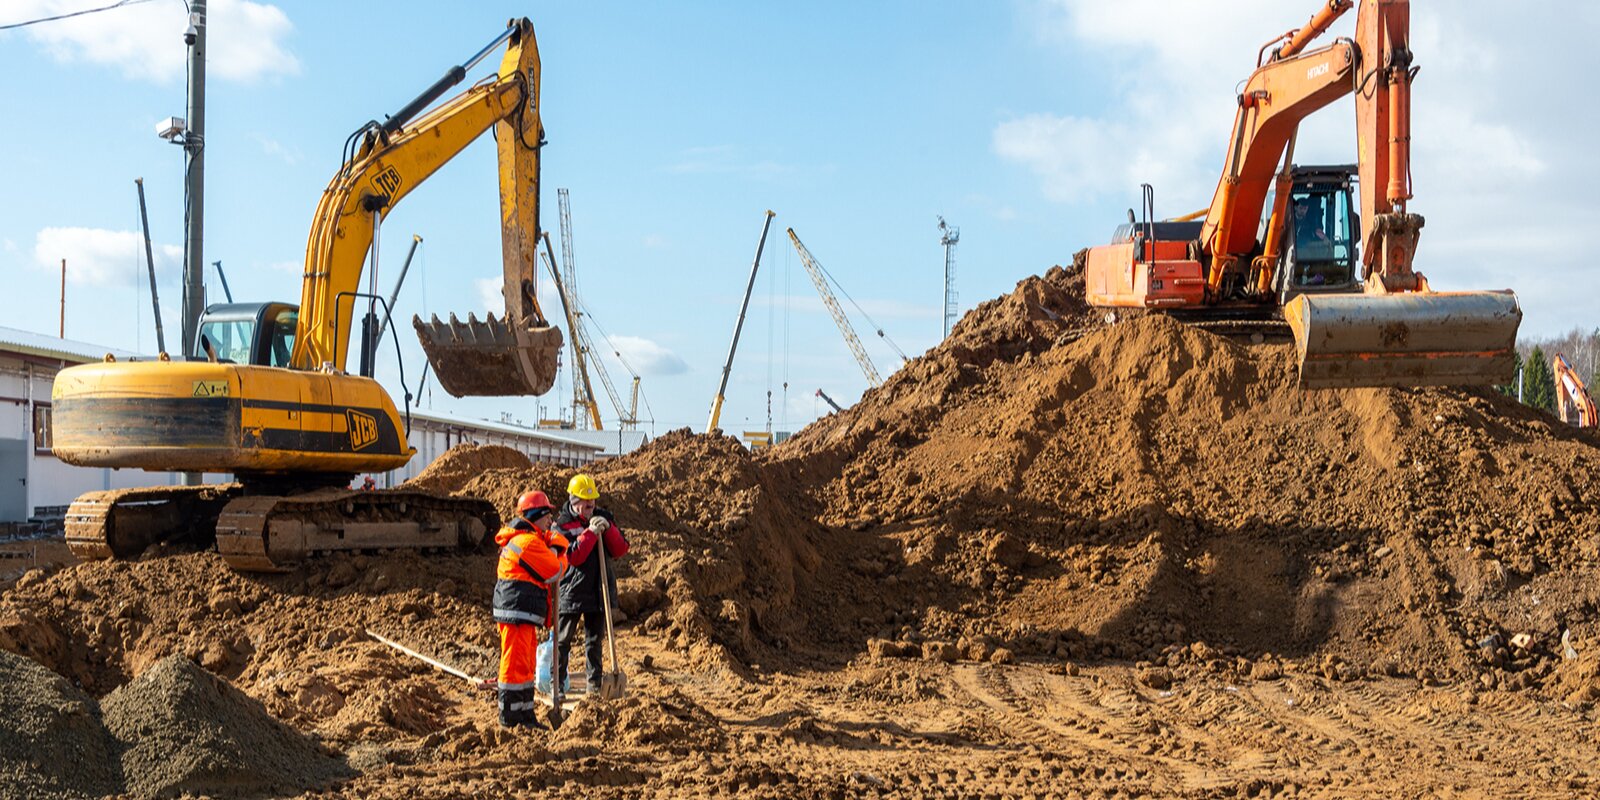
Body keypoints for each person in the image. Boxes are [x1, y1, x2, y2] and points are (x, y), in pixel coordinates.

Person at [492, 490, 568, 727]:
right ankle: (510, 718)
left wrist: (553, 546)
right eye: (547, 515)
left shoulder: (528, 540)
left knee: (524, 667)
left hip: (520, 612)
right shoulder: (527, 542)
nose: (550, 521)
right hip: (517, 611)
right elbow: (554, 570)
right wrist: (558, 547)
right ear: (537, 514)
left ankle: (525, 716)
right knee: (515, 667)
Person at [553, 473, 629, 696]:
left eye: (592, 502)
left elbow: (621, 549)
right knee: (563, 641)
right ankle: (557, 685)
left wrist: (609, 529)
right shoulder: (562, 524)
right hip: (572, 591)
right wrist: (590, 534)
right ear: (574, 502)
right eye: (586, 504)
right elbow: (573, 557)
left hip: (598, 589)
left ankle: (594, 686)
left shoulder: (603, 517)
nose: (590, 507)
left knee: (594, 642)